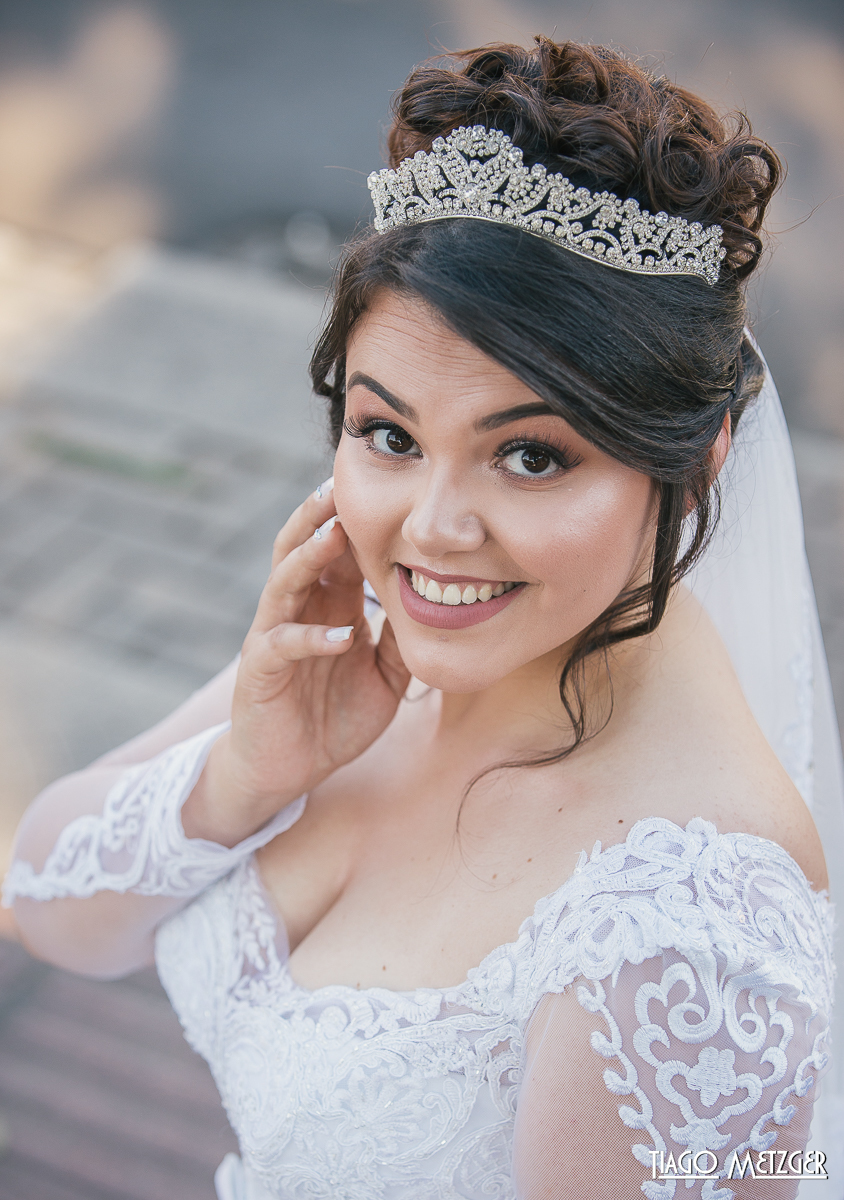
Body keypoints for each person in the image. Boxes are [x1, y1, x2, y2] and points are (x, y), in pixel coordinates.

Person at [3, 37, 842, 1200]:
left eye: (532, 456)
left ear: (694, 466)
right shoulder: (374, 650)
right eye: (388, 436)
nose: (433, 532)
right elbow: (51, 913)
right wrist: (241, 773)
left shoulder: (686, 935)